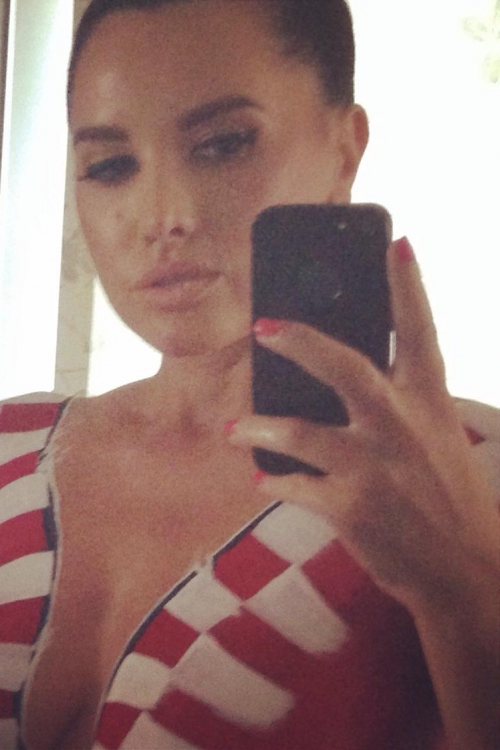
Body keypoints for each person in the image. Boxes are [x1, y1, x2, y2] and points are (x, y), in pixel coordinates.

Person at [0, 0, 498, 748]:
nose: (162, 215)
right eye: (109, 165)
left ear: (344, 150)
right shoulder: (9, 443)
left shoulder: (469, 478)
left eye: (224, 144)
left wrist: (464, 595)